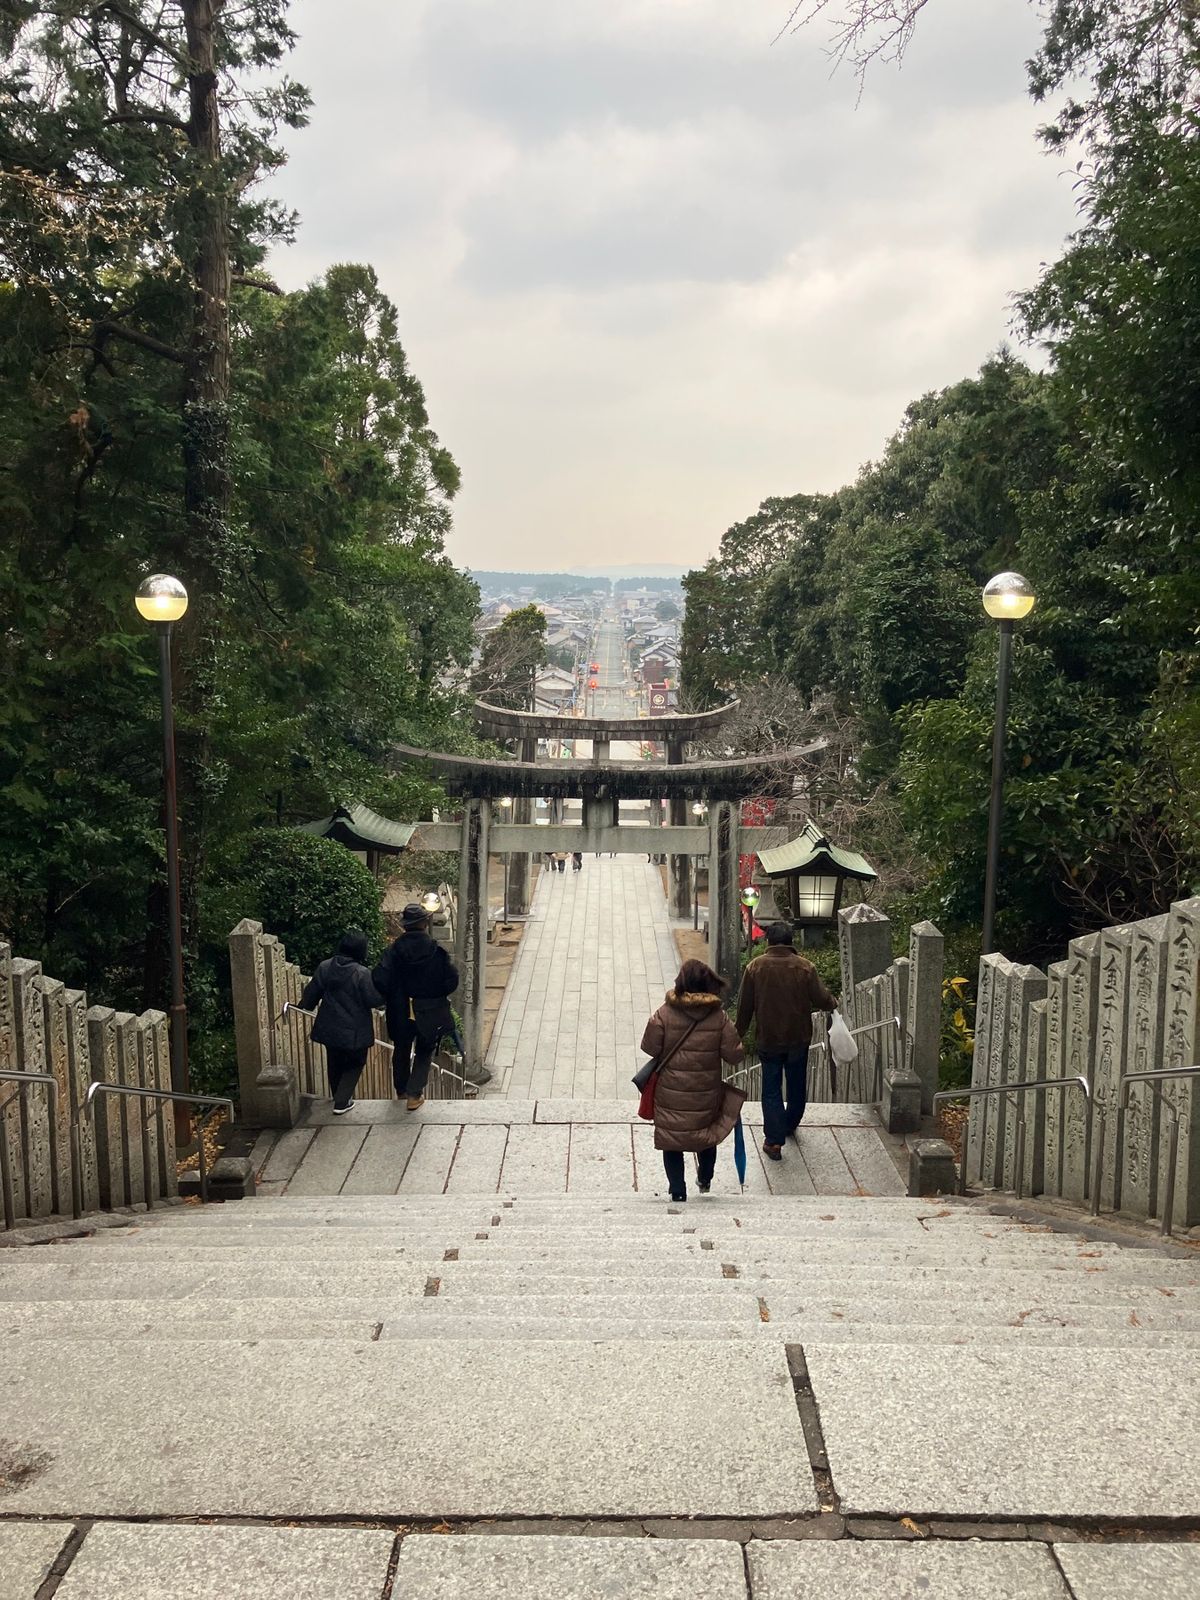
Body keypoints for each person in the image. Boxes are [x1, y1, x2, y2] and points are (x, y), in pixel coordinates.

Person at [640, 958, 744, 1202]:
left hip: (671, 1089)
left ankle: (677, 1189)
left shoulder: (664, 1013)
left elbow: (649, 1047)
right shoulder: (718, 1018)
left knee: (672, 1138)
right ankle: (705, 1178)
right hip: (705, 1090)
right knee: (707, 1133)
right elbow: (734, 1054)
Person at [735, 922, 838, 1162]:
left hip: (768, 1038)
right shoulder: (805, 968)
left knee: (770, 1089)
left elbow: (744, 1008)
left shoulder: (755, 967)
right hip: (797, 1037)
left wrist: (736, 1035)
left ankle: (773, 1141)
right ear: (790, 941)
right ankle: (789, 1123)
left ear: (769, 941)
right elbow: (822, 998)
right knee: (796, 1084)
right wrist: (832, 1003)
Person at [372, 903, 460, 1111]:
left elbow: (379, 978)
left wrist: (393, 993)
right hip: (429, 1008)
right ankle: (414, 1094)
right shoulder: (435, 950)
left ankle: (401, 1090)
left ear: (405, 926)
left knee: (401, 1048)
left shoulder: (393, 952)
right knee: (424, 1049)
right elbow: (451, 979)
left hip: (400, 1008)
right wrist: (437, 993)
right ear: (423, 923)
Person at [300, 929, 383, 1115]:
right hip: (355, 1028)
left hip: (329, 1025)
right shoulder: (362, 973)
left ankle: (339, 1096)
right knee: (356, 1061)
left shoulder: (325, 967)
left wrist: (305, 1005)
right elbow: (373, 1000)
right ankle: (342, 1100)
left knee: (334, 1061)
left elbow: (313, 991)